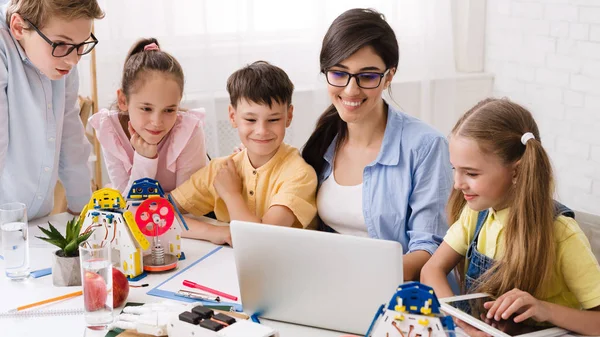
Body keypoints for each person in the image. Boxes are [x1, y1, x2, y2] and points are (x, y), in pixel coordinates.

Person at [420, 98, 600, 336]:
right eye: (455, 169)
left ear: (516, 171)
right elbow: (431, 270)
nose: (457, 184)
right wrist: (462, 322)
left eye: (471, 173)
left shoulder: (562, 233)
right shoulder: (475, 215)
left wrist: (543, 309)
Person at [301, 8, 452, 281]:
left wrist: (362, 277)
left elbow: (430, 248)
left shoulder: (426, 146)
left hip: (398, 293)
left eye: (367, 76)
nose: (350, 90)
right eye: (339, 73)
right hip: (331, 284)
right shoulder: (324, 139)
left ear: (389, 75)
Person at [171, 61, 318, 246]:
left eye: (273, 119)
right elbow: (155, 213)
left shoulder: (300, 175)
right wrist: (215, 232)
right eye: (250, 119)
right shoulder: (221, 169)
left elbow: (259, 242)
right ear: (233, 116)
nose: (262, 130)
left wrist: (231, 195)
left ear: (289, 116)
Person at [0, 0, 104, 219]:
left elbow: (70, 132)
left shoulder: (63, 60)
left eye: (81, 45)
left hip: (38, 216)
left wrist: (82, 208)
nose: (74, 60)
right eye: (61, 44)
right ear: (19, 27)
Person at [89, 38, 207, 195]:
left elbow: (188, 203)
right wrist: (145, 159)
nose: (157, 122)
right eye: (146, 108)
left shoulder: (189, 131)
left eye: (169, 110)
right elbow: (128, 205)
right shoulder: (110, 130)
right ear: (123, 100)